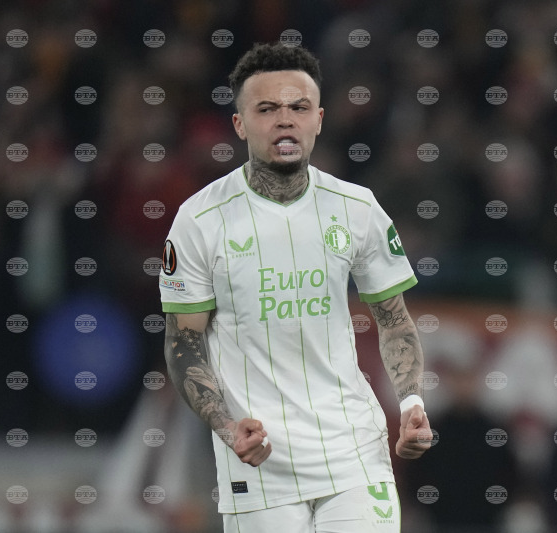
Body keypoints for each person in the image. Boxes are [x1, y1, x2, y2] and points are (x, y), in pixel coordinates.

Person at [159, 42, 431, 533]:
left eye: (299, 107)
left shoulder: (357, 208)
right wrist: (226, 426)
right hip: (258, 458)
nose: (285, 120)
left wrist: (412, 404)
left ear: (318, 120)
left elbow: (394, 321)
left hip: (353, 451)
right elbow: (184, 341)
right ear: (240, 124)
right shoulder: (199, 220)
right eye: (267, 109)